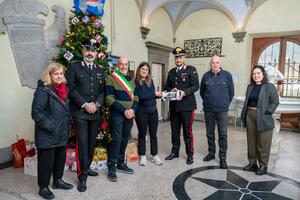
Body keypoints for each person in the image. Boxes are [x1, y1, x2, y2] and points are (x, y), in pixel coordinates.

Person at [65, 38, 105, 192]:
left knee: (91, 143)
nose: (90, 52)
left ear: (96, 52)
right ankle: (82, 177)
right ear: (82, 50)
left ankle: (86, 168)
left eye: (93, 50)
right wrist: (84, 104)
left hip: (95, 113)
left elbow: (102, 91)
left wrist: (96, 104)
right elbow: (70, 88)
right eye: (87, 49)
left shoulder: (100, 70)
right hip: (80, 113)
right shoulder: (74, 67)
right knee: (82, 143)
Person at [32, 63, 73, 200]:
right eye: (56, 74)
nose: (59, 76)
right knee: (46, 162)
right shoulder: (43, 90)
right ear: (49, 75)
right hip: (47, 134)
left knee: (59, 160)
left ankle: (57, 181)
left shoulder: (64, 89)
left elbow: (65, 110)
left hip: (61, 132)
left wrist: (67, 124)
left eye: (61, 73)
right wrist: (52, 126)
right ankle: (43, 187)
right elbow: (36, 113)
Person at [241, 65, 279, 175]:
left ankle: (263, 165)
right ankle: (252, 163)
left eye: (258, 73)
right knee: (251, 141)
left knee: (263, 142)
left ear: (263, 75)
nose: (256, 75)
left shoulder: (269, 86)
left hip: (264, 116)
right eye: (254, 74)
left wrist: (268, 112)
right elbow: (247, 102)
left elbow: (275, 101)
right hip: (250, 115)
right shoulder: (250, 87)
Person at [164, 47, 199, 165]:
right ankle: (175, 152)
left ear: (184, 58)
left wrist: (184, 92)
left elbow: (195, 86)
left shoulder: (191, 70)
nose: (178, 59)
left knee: (187, 131)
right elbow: (166, 87)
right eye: (176, 57)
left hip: (187, 106)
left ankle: (190, 154)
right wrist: (171, 89)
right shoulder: (171, 72)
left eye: (180, 57)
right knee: (174, 130)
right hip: (174, 106)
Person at [105, 57, 139, 182]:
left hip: (129, 114)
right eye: (121, 64)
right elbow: (109, 98)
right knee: (116, 139)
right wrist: (124, 111)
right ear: (117, 65)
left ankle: (120, 163)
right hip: (117, 114)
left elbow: (136, 98)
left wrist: (132, 110)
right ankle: (111, 167)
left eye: (126, 64)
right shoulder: (111, 78)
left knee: (125, 138)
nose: (124, 67)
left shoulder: (132, 80)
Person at [200, 55, 234, 169]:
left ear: (220, 63)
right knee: (210, 133)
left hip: (222, 110)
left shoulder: (227, 75)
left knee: (223, 134)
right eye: (213, 62)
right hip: (209, 110)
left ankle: (223, 158)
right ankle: (211, 153)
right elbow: (202, 92)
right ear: (210, 63)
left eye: (217, 62)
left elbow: (231, 93)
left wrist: (224, 103)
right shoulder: (205, 76)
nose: (215, 65)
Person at [135, 62, 163, 166]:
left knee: (153, 134)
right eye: (143, 69)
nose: (145, 71)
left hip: (153, 111)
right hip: (141, 112)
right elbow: (141, 95)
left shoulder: (150, 81)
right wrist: (154, 94)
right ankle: (142, 155)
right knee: (142, 134)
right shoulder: (136, 82)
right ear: (139, 70)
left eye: (146, 70)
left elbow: (150, 95)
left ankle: (154, 155)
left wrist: (158, 95)